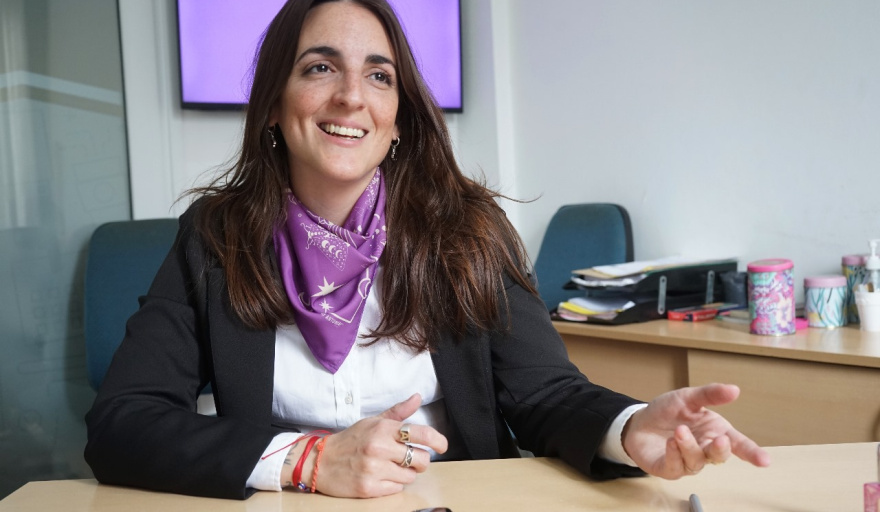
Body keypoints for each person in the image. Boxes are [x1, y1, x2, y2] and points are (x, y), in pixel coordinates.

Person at [84, 0, 770, 500]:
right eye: (320, 67)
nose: (351, 97)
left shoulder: (467, 230)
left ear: (399, 120)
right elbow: (121, 423)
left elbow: (545, 394)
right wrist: (309, 460)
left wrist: (628, 428)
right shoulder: (215, 236)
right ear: (272, 104)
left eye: (379, 76)